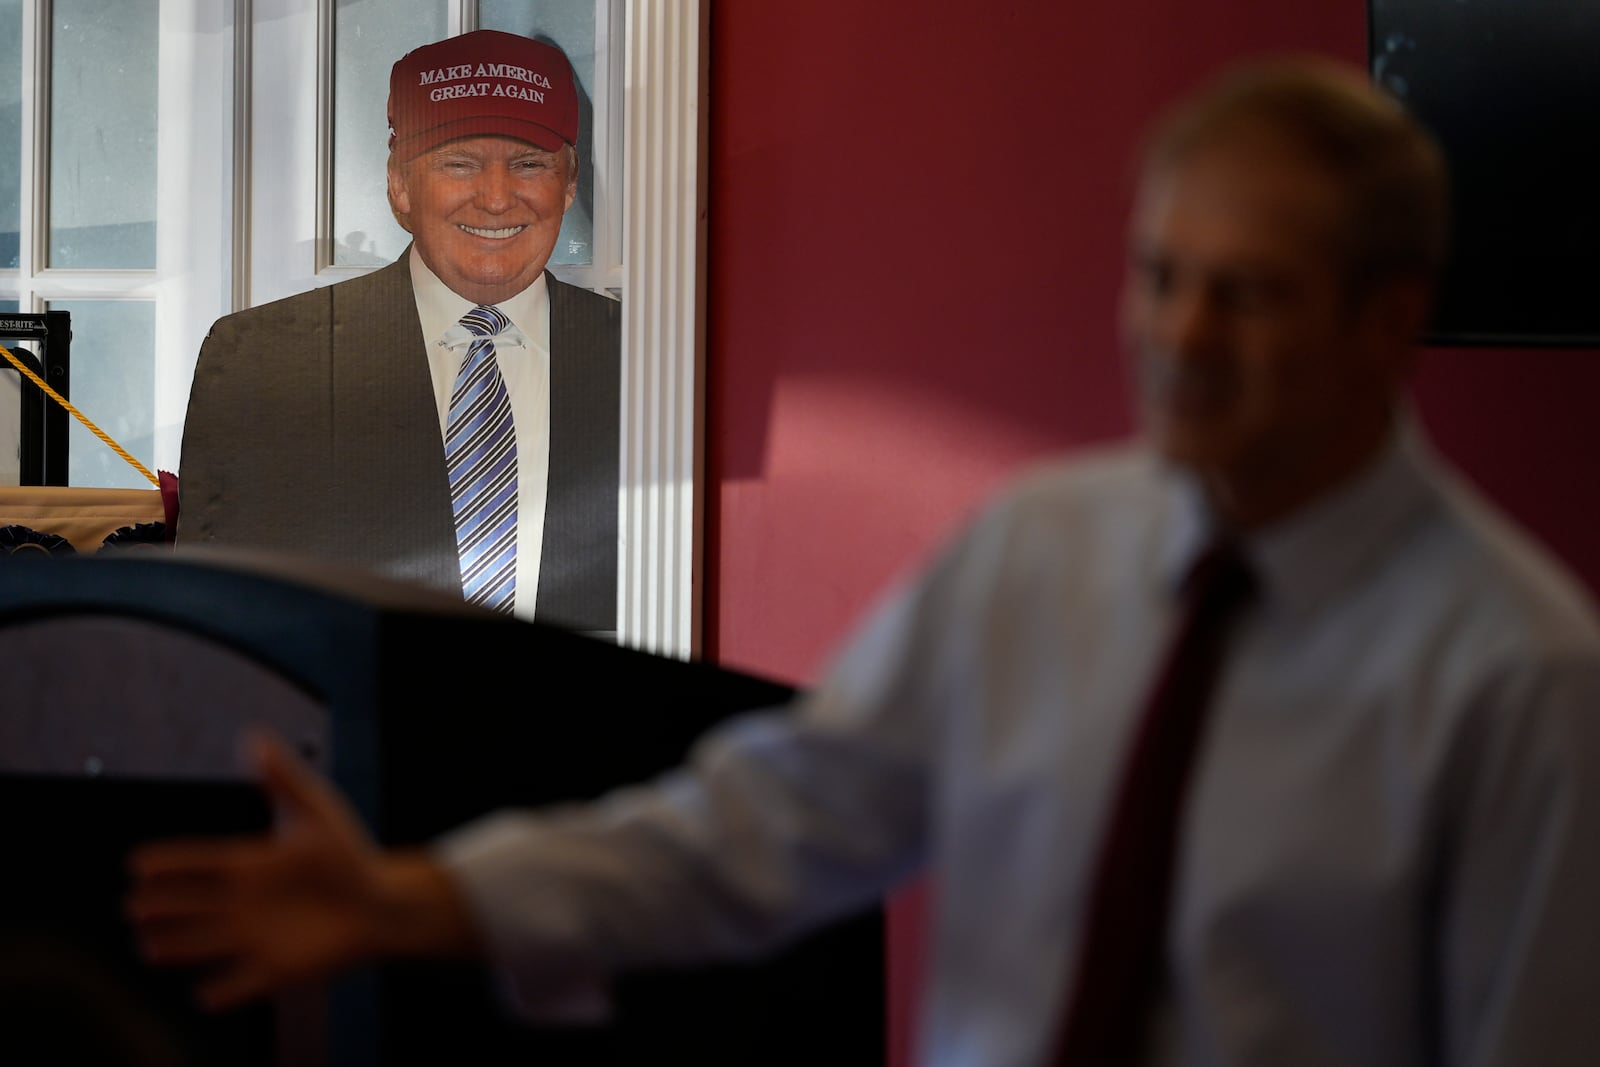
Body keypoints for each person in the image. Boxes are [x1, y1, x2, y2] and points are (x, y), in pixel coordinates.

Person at [129, 57, 1600, 1065]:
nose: (1184, 338)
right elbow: (763, 827)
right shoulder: (1041, 554)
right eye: (1162, 277)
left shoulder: (1519, 676)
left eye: (1252, 295)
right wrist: (417, 899)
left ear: (1391, 313)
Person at [177, 30, 619, 632]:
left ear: (568, 183)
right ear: (400, 186)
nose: (496, 197)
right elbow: (218, 620)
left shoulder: (646, 360)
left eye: (528, 164)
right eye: (459, 163)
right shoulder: (265, 359)